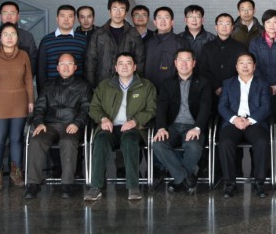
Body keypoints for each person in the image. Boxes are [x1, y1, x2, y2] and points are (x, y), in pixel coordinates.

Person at [85, 52, 157, 202]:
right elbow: (94, 107)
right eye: (121, 64)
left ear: (134, 67)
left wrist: (135, 121)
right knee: (100, 141)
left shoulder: (146, 86)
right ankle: (95, 187)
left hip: (134, 128)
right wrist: (103, 119)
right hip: (110, 127)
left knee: (130, 141)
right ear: (116, 68)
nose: (125, 67)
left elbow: (152, 109)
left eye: (128, 63)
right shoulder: (105, 85)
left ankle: (133, 187)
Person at [25, 53, 91, 200]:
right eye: (62, 64)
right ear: (57, 68)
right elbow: (40, 107)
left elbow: (86, 108)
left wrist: (77, 123)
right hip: (49, 125)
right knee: (36, 141)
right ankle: (33, 184)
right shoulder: (48, 85)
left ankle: (66, 184)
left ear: (75, 67)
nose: (66, 67)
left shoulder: (83, 85)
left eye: (69, 64)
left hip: (71, 124)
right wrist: (39, 123)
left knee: (68, 142)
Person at [152, 49, 212, 194]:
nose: (184, 63)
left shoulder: (203, 83)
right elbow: (161, 108)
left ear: (194, 63)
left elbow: (206, 107)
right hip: (172, 126)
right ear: (175, 63)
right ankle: (185, 178)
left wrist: (197, 128)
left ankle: (178, 179)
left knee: (194, 146)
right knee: (158, 144)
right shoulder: (167, 83)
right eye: (181, 60)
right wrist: (161, 128)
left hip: (193, 126)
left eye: (188, 60)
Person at [0, 23, 34, 190]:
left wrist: (31, 100)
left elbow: (28, 79)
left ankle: (16, 172)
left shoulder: (24, 55)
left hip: (19, 103)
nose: (9, 37)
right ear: (0, 38)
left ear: (17, 37)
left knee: (16, 139)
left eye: (13, 34)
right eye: (6, 34)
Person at [217, 53, 271, 198]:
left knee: (262, 142)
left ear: (254, 66)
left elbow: (266, 107)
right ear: (236, 67)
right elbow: (222, 106)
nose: (245, 66)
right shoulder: (228, 83)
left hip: (254, 122)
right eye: (241, 63)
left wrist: (249, 120)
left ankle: (259, 183)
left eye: (249, 62)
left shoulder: (263, 84)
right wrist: (235, 119)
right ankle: (230, 184)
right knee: (225, 143)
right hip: (233, 122)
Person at [85, 0, 145, 87]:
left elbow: (140, 62)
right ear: (109, 11)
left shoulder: (134, 34)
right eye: (115, 9)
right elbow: (90, 61)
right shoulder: (98, 34)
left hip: (127, 84)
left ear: (126, 13)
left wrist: (136, 84)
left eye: (121, 9)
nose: (118, 13)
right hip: (102, 84)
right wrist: (91, 86)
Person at [248, 9, 276, 115]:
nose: (271, 25)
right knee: (262, 115)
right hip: (260, 87)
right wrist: (266, 86)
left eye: (275, 22)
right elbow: (253, 66)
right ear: (264, 24)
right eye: (268, 22)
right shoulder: (255, 42)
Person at [0, 1, 38, 76]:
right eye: (5, 13)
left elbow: (34, 62)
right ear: (0, 16)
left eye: (12, 13)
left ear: (18, 16)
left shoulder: (27, 37)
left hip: (21, 82)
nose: (9, 17)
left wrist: (22, 79)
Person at [36, 5, 86, 93]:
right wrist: (42, 94)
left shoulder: (83, 40)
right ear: (57, 19)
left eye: (70, 16)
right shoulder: (46, 40)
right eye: (62, 16)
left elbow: (87, 68)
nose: (66, 19)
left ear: (74, 19)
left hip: (77, 93)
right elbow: (41, 71)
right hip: (52, 93)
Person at [198, 13, 246, 100]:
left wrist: (230, 86)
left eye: (227, 24)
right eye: (221, 23)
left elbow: (244, 69)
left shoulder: (240, 47)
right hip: (210, 92)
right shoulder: (207, 47)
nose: (224, 26)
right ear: (216, 27)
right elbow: (202, 69)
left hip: (234, 92)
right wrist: (216, 86)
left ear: (232, 27)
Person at [143, 6, 182, 86]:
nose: (163, 21)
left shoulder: (180, 42)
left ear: (172, 22)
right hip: (149, 89)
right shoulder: (148, 42)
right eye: (159, 17)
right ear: (155, 22)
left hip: (171, 89)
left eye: (166, 17)